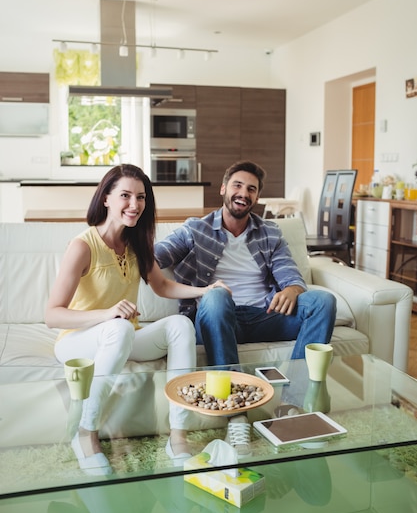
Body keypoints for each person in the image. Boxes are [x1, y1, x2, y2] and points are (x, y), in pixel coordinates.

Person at [45, 164, 227, 476]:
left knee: (181, 325)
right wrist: (108, 314)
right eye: (125, 195)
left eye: (140, 197)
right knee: (118, 327)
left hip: (123, 337)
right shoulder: (82, 246)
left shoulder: (137, 244)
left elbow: (162, 286)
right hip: (77, 342)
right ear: (106, 199)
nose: (134, 204)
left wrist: (205, 289)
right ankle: (86, 432)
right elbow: (52, 315)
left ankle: (178, 435)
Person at [154, 160, 336, 455]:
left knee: (323, 301)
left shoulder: (271, 233)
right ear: (224, 189)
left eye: (251, 189)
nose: (244, 193)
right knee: (215, 296)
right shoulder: (195, 229)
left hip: (264, 315)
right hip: (215, 320)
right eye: (237, 185)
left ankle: (292, 406)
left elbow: (290, 275)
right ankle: (236, 415)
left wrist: (292, 289)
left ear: (257, 197)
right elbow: (157, 256)